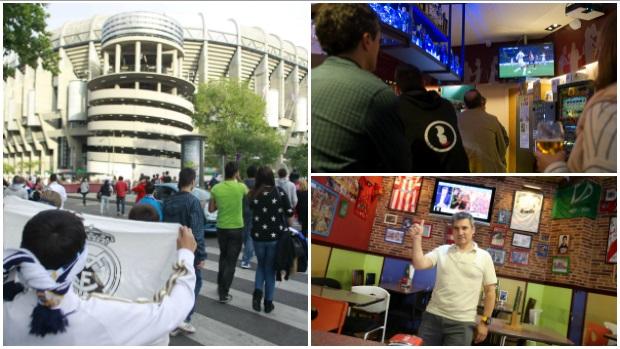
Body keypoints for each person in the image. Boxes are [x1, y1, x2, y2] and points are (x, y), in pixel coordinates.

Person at [3, 209, 197, 345]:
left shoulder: (7, 306)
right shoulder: (102, 318)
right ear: (80, 262)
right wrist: (186, 255)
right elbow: (172, 311)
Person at [311, 3, 411, 172]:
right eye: (379, 41)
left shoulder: (311, 78)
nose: (379, 48)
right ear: (366, 41)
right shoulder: (377, 95)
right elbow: (402, 167)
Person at [537, 12, 616, 173]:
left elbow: (596, 191)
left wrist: (552, 166)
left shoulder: (606, 107)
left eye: (598, 47)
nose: (595, 53)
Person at [410, 212, 497, 345]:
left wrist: (484, 323)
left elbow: (490, 292)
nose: (460, 232)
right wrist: (416, 239)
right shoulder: (442, 250)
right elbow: (419, 264)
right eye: (456, 228)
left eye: (464, 228)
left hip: (462, 324)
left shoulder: (484, 257)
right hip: (432, 318)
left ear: (473, 230)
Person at [394, 64, 470, 172]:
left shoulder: (395, 108)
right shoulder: (446, 105)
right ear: (423, 83)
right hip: (459, 169)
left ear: (397, 89)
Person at [162, 168, 207, 335]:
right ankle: (183, 319)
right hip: (188, 250)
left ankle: (172, 317)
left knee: (173, 282)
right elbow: (197, 231)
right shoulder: (193, 202)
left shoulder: (168, 201)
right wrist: (200, 255)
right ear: (193, 182)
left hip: (172, 249)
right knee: (194, 283)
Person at [248, 166, 294, 313]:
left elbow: (250, 209)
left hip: (257, 237)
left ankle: (257, 295)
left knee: (261, 266)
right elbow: (290, 215)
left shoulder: (253, 194)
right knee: (271, 269)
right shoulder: (279, 192)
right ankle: (268, 303)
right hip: (275, 237)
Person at [209, 162, 248, 303]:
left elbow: (211, 209)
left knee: (223, 257)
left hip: (221, 227)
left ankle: (220, 286)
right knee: (231, 262)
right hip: (237, 228)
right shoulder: (241, 187)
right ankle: (224, 293)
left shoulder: (216, 188)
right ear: (236, 172)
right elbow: (248, 196)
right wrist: (239, 179)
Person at [458, 89, 509, 173]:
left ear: (465, 104)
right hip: (489, 169)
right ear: (481, 102)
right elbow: (502, 147)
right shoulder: (492, 120)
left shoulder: (457, 119)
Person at [241, 165, 257, 269]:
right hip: (254, 211)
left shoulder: (242, 184)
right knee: (251, 236)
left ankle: (248, 251)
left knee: (246, 234)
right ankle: (246, 260)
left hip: (242, 211)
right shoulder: (258, 184)